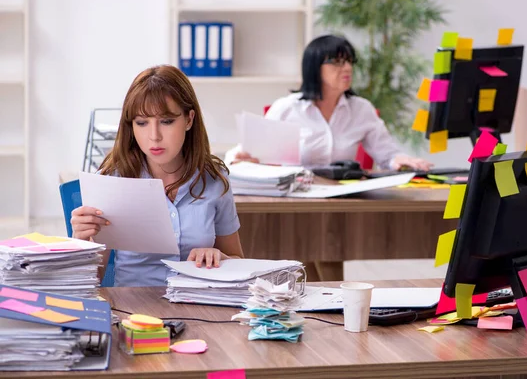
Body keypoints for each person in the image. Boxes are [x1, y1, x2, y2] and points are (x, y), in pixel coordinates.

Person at [71, 65, 244, 287]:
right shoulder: (112, 180)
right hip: (134, 312)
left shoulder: (214, 181)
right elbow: (91, 281)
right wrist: (81, 242)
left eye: (166, 121)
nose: (154, 136)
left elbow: (239, 262)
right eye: (141, 123)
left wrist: (221, 258)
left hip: (200, 308)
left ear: (189, 120)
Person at [225, 34, 433, 171]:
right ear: (314, 67)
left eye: (349, 62)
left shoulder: (361, 109)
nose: (347, 68)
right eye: (337, 63)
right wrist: (238, 159)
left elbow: (388, 155)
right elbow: (244, 152)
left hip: (345, 197)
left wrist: (403, 161)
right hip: (294, 198)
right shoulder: (287, 108)